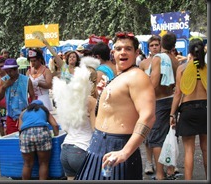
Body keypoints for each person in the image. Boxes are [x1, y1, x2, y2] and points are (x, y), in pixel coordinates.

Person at [75, 31, 156, 180]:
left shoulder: (137, 76)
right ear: (113, 52)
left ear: (136, 52)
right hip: (98, 147)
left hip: (118, 148)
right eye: (119, 49)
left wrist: (125, 152)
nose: (123, 52)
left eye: (128, 49)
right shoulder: (120, 76)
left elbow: (148, 116)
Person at [53, 56, 100, 180]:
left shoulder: (70, 98)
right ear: (93, 81)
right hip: (82, 149)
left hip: (66, 149)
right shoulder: (91, 101)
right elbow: (95, 129)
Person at [169, 38, 207, 180]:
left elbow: (178, 93)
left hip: (188, 110)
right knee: (205, 149)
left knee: (189, 151)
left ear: (190, 52)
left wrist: (172, 114)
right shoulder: (207, 67)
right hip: (205, 109)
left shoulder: (182, 68)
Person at [147, 32, 179, 180]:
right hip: (172, 101)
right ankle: (170, 170)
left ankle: (160, 175)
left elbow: (153, 83)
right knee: (169, 137)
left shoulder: (158, 58)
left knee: (157, 140)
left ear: (161, 44)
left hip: (159, 101)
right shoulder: (175, 60)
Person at [18, 99, 59, 180]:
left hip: (26, 134)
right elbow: (55, 125)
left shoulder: (23, 113)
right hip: (42, 132)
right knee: (43, 163)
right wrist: (56, 135)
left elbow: (20, 129)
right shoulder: (44, 110)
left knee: (27, 164)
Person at [139, 35, 161, 175]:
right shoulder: (144, 63)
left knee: (162, 135)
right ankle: (149, 162)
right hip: (147, 102)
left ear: (160, 46)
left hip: (163, 101)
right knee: (148, 134)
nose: (154, 47)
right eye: (152, 45)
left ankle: (168, 164)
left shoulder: (167, 61)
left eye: (156, 45)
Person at [0, 58, 35, 135]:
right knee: (12, 137)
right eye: (7, 71)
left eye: (10, 71)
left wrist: (31, 108)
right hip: (11, 116)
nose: (9, 73)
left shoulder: (26, 80)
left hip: (24, 115)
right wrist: (4, 87)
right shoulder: (4, 80)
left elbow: (33, 96)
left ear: (16, 69)